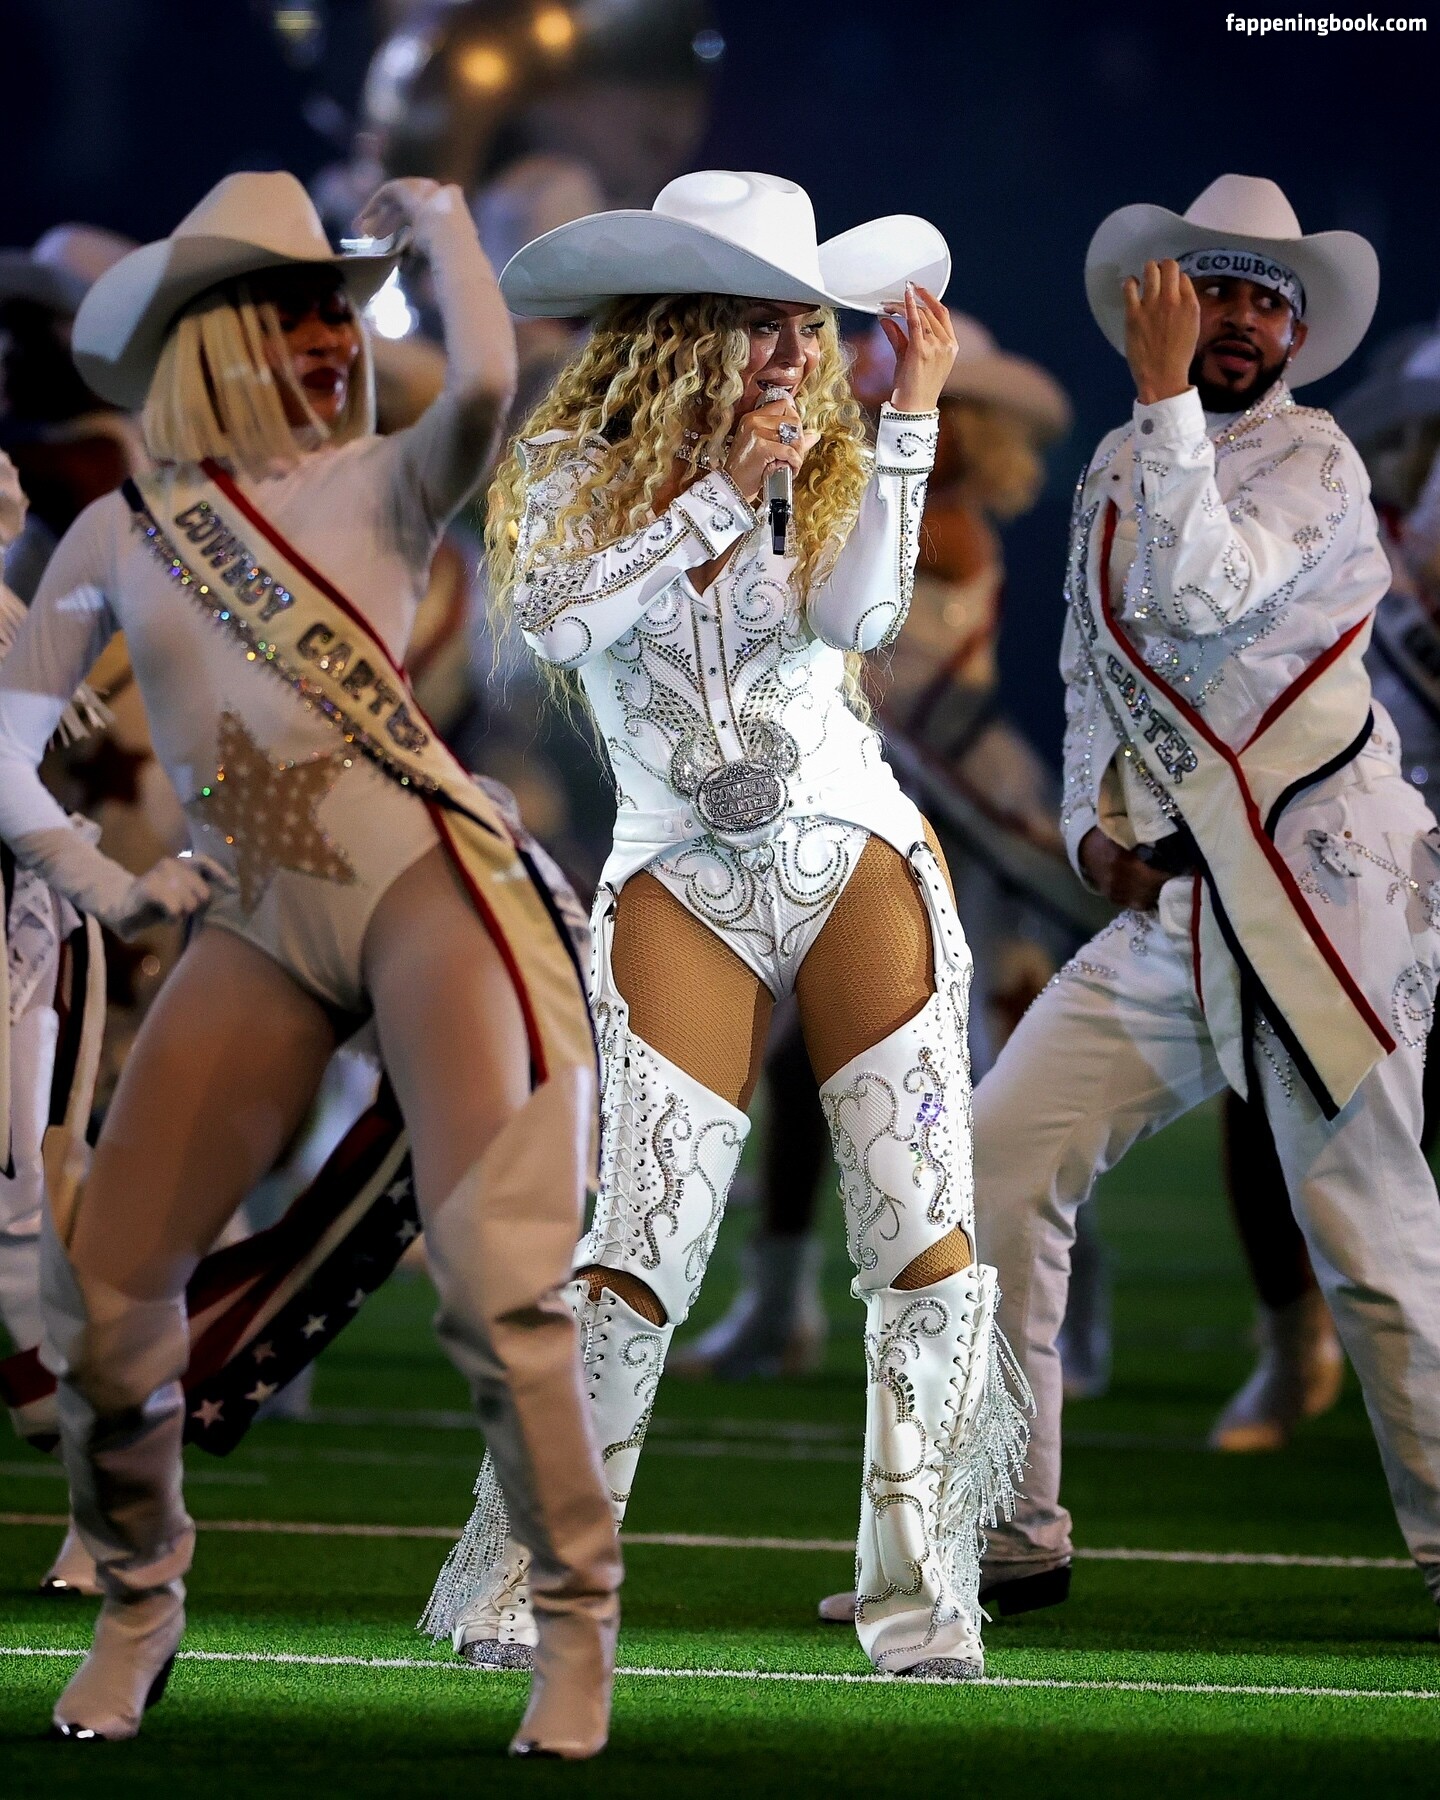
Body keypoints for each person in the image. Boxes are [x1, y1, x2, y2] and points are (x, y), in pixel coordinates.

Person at [0, 169, 620, 1755]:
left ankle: (574, 1630)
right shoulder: (118, 527)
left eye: (337, 310)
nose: (333, 339)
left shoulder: (386, 481)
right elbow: (8, 742)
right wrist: (105, 875)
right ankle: (139, 1603)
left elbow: (481, 384)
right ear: (210, 336)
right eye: (294, 313)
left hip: (429, 888)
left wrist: (446, 230)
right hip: (257, 923)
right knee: (105, 1304)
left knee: (500, 1287)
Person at [423, 170, 1030, 1682]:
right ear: (677, 326)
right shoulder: (569, 459)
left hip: (855, 852)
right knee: (640, 1246)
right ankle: (534, 1581)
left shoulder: (825, 454)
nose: (791, 351)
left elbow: (862, 623)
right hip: (678, 875)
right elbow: (556, 623)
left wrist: (907, 422)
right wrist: (708, 496)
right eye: (760, 322)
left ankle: (923, 1601)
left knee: (922, 1237)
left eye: (804, 326)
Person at [949, 173, 1440, 1622]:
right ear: (1155, 308)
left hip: (1322, 903)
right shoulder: (1115, 462)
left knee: (1370, 1240)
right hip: (1181, 909)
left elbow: (1211, 593)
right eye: (1211, 288)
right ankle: (1009, 1529)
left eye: (1262, 300)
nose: (1237, 317)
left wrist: (1166, 401)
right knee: (993, 1165)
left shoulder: (1320, 464)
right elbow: (1088, 671)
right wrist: (1086, 829)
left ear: (1297, 334)